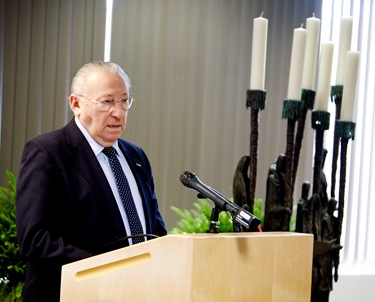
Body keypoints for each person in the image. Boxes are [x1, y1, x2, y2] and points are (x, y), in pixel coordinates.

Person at [16, 61, 167, 301]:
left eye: (124, 101)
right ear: (76, 104)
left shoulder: (136, 156)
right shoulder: (48, 152)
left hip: (136, 292)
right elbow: (35, 240)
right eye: (107, 102)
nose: (118, 112)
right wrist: (110, 268)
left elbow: (155, 231)